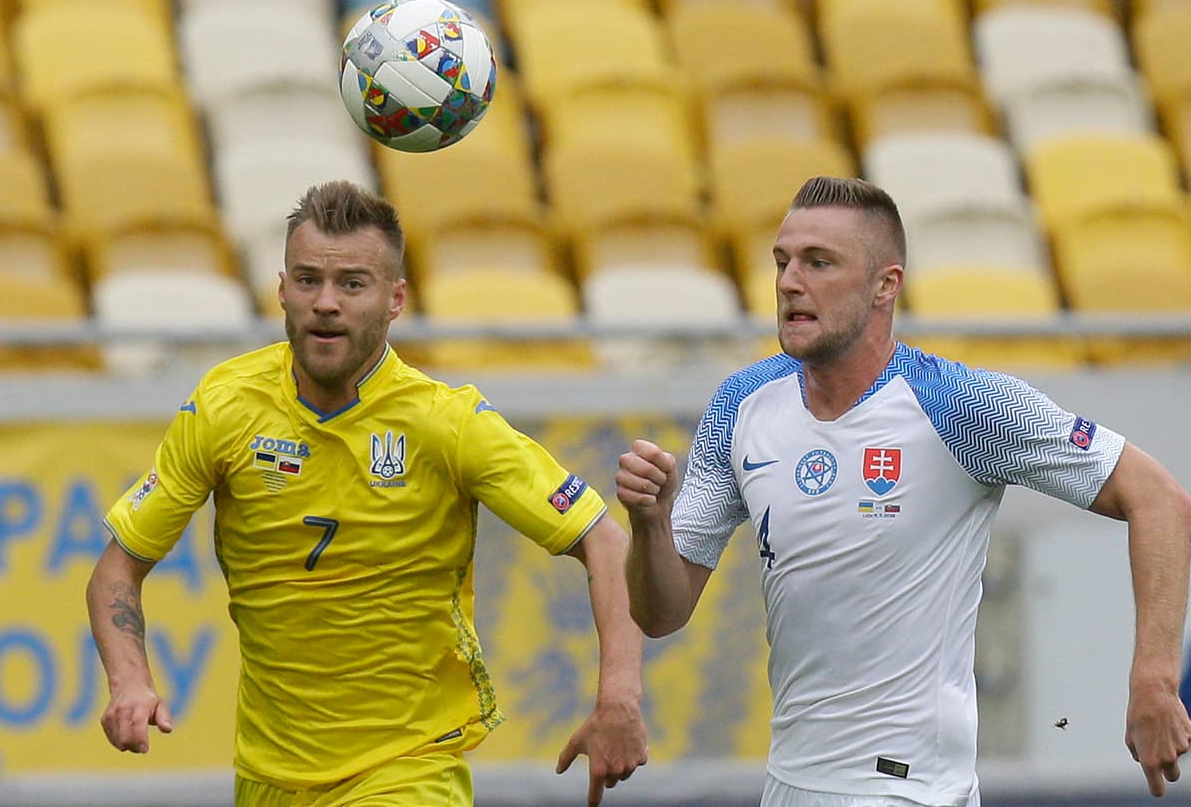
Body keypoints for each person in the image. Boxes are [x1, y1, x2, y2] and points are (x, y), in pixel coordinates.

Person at [616, 176, 1191, 807]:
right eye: (782, 261)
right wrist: (650, 524)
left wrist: (1155, 679)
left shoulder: (959, 405)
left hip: (911, 790)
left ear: (885, 285)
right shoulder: (740, 405)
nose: (788, 282)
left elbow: (1159, 499)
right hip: (788, 785)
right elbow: (661, 613)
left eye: (819, 262)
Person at [87, 180, 647, 807]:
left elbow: (603, 538)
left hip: (407, 769)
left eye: (352, 284)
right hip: (269, 775)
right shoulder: (225, 406)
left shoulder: (448, 423)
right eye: (307, 281)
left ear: (395, 299)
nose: (325, 303)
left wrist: (618, 700)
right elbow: (117, 569)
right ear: (280, 290)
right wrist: (128, 681)